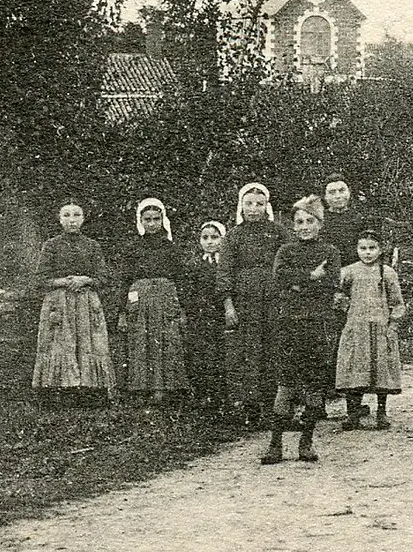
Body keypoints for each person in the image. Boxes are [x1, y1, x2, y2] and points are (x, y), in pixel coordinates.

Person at [262, 195, 342, 465]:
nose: (304, 226)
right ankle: (275, 444)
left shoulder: (330, 251)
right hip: (289, 323)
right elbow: (279, 279)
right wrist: (309, 277)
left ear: (320, 224)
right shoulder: (285, 250)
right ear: (292, 225)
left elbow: (331, 283)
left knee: (313, 385)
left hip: (317, 324)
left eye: (310, 221)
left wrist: (298, 285)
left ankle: (306, 442)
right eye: (299, 222)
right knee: (285, 384)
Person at [32, 198, 115, 407]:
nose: (72, 220)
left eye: (76, 215)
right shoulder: (51, 245)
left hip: (87, 302)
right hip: (59, 302)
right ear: (60, 220)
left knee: (89, 342)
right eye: (66, 215)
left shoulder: (92, 246)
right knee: (59, 343)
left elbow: (104, 277)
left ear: (83, 219)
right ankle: (58, 391)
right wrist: (65, 281)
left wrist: (86, 280)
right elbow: (40, 278)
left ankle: (89, 391)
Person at [219, 182, 288, 429]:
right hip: (245, 301)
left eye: (259, 204)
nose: (254, 209)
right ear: (241, 206)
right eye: (249, 204)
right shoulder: (233, 237)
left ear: (266, 206)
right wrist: (229, 306)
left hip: (274, 299)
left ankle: (275, 410)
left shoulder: (279, 233)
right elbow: (224, 273)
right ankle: (252, 410)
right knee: (249, 355)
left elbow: (289, 265)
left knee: (274, 352)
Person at [319, 172, 386, 416]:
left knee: (355, 342)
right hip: (326, 285)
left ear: (349, 192)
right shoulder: (320, 221)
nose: (337, 196)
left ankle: (354, 405)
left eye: (341, 190)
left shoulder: (360, 218)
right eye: (332, 191)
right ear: (325, 197)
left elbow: (373, 252)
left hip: (357, 285)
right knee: (328, 342)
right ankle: (320, 403)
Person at [117, 198, 189, 408]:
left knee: (166, 341)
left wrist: (182, 307)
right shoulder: (133, 248)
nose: (151, 224)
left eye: (156, 219)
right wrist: (122, 311)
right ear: (140, 221)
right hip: (139, 299)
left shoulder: (171, 248)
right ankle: (140, 387)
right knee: (140, 341)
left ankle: (163, 388)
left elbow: (180, 279)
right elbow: (124, 279)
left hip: (165, 299)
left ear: (162, 220)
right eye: (147, 219)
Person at [334, 229, 405, 430]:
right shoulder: (349, 271)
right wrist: (341, 304)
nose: (367, 253)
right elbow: (336, 292)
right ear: (356, 249)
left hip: (380, 329)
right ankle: (353, 414)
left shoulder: (387, 272)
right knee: (353, 369)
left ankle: (381, 413)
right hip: (356, 329)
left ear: (380, 250)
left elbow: (398, 303)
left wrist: (393, 324)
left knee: (381, 371)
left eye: (372, 248)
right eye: (362, 248)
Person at [178, 219, 230, 416]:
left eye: (214, 237)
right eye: (205, 237)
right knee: (201, 356)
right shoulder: (194, 265)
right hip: (200, 316)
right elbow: (187, 292)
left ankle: (223, 399)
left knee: (222, 356)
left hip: (220, 314)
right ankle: (203, 400)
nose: (209, 242)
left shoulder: (226, 264)